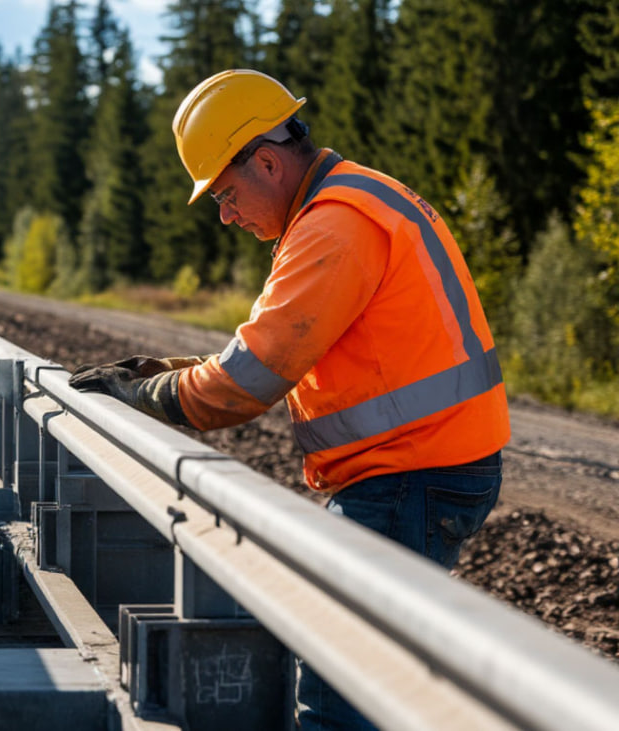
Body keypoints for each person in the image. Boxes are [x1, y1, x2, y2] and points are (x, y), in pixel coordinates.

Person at [69, 69, 510, 730]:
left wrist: (146, 393)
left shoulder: (334, 226)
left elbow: (246, 384)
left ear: (268, 162)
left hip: (410, 474)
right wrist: (164, 374)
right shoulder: (349, 201)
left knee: (339, 696)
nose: (225, 214)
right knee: (363, 673)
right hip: (423, 466)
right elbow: (265, 354)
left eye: (224, 193)